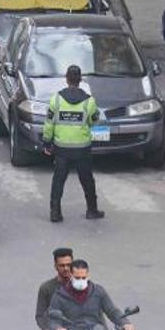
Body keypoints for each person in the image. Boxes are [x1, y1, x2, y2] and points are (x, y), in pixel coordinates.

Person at [41, 64, 102, 223]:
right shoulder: (89, 102)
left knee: (59, 180)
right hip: (82, 148)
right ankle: (92, 210)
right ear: (80, 80)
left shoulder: (56, 100)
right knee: (87, 179)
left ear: (66, 79)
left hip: (62, 148)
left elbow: (48, 123)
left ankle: (55, 212)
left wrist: (47, 143)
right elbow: (95, 121)